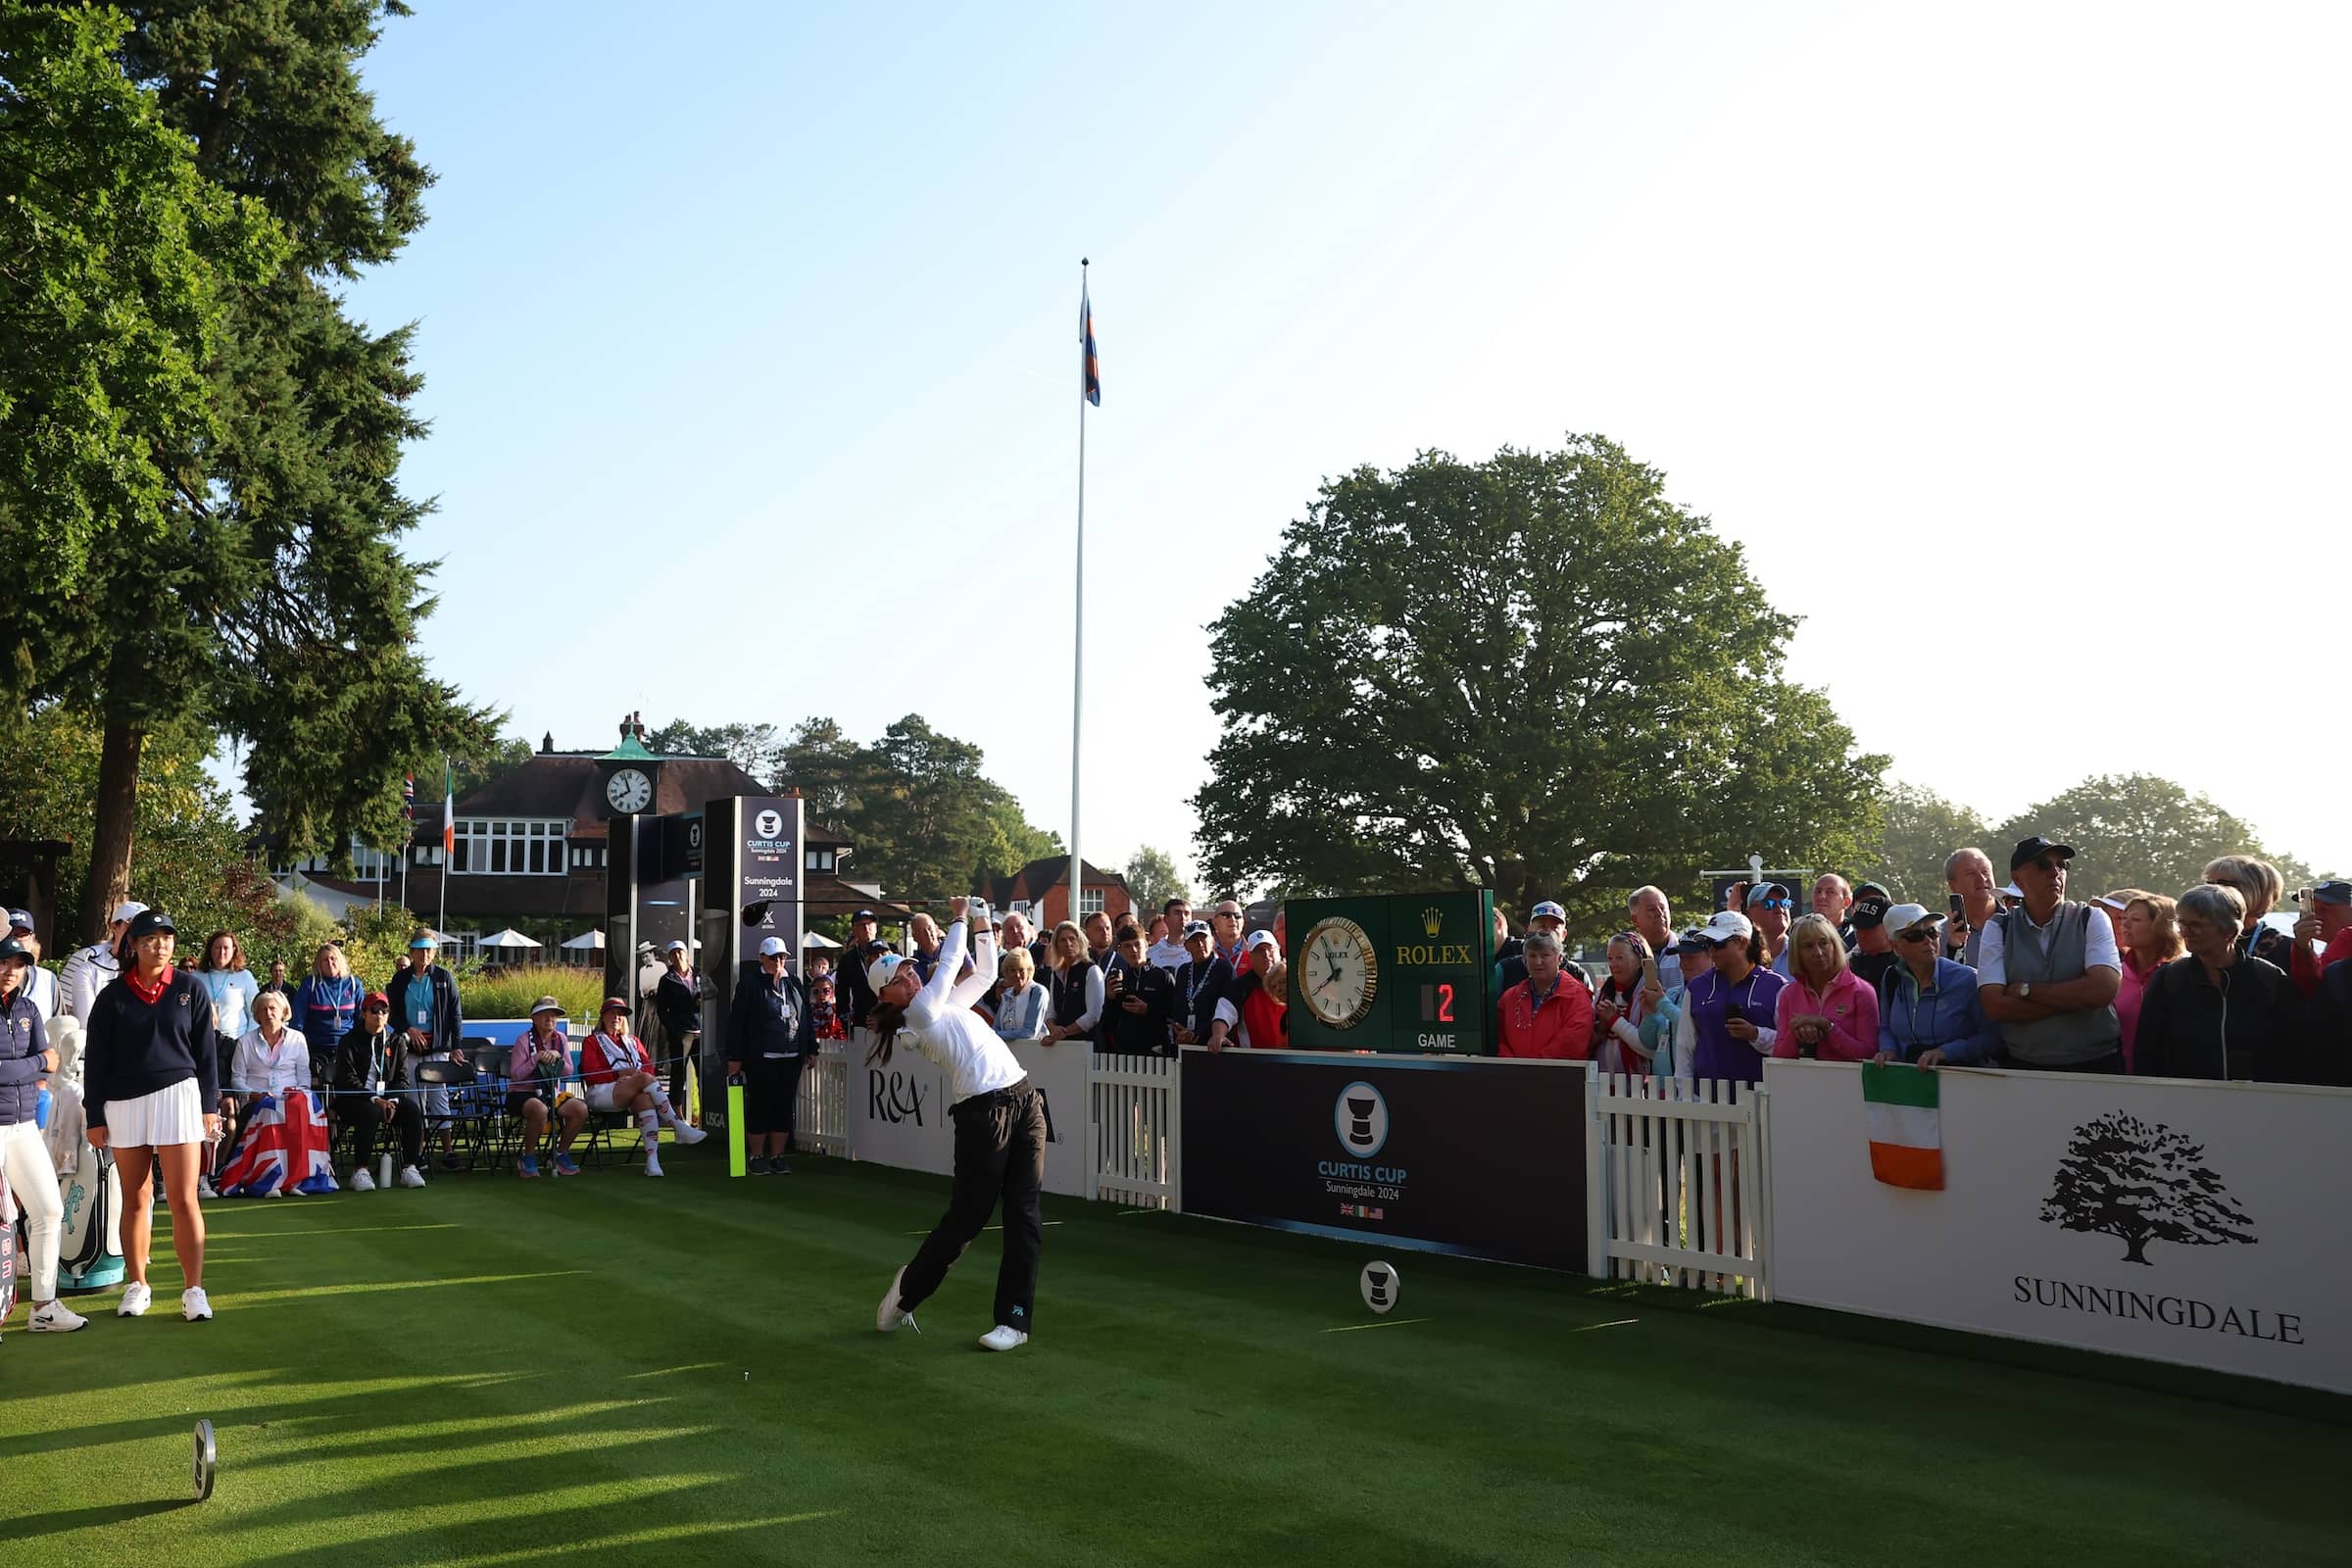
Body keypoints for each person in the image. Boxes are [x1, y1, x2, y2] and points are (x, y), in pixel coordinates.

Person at [867, 899, 1045, 1350]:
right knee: (967, 1220)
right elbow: (948, 965)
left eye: (909, 969)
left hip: (1024, 1100)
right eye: (897, 979)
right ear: (886, 997)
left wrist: (983, 919)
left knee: (1024, 1216)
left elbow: (984, 973)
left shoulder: (941, 1004)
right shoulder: (918, 1016)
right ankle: (907, 1292)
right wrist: (961, 915)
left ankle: (1014, 1321)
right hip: (982, 1115)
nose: (909, 976)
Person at [80, 908, 219, 1321]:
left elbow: (206, 1055)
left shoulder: (191, 989)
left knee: (183, 1198)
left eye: (167, 938)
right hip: (123, 1102)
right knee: (136, 1198)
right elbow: (96, 1062)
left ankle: (194, 1290)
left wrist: (209, 1107)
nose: (161, 946)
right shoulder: (112, 996)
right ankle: (137, 1284)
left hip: (179, 1095)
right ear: (133, 946)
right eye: (150, 939)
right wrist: (94, 1116)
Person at [1977, 836, 2124, 1073]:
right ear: (2018, 879)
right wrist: (2079, 1000)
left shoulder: (2092, 918)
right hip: (2025, 1068)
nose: (2055, 872)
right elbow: (1994, 1006)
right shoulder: (1999, 927)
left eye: (2062, 865)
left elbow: (2103, 990)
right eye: (2043, 864)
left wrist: (2027, 991)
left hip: (2097, 1065)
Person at [0, 937, 85, 1333]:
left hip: (22, 1127)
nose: (10, 970)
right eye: (4, 962)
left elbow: (50, 1069)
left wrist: (27, 1066)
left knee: (49, 1211)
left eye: (18, 963)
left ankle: (44, 1307)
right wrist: (32, 1064)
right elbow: (37, 1062)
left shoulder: (29, 1008)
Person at [2132, 883, 2301, 1082]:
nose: (2186, 932)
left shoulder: (2268, 978)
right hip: (2185, 1100)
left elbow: (2293, 1050)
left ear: (2229, 930)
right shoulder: (2169, 978)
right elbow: (2148, 1051)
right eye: (2182, 923)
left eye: (2196, 925)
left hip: (2257, 1102)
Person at [216, 989, 334, 1199]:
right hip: (257, 1100)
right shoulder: (245, 1042)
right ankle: (269, 1178)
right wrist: (253, 1095)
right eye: (263, 1009)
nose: (269, 1013)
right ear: (257, 1015)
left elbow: (304, 1076)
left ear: (283, 1012)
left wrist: (298, 1093)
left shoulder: (297, 1039)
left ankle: (301, 1179)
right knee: (269, 1111)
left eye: (273, 1008)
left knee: (302, 1109)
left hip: (291, 1097)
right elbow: (237, 1080)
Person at [1871, 905, 2001, 1067]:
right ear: (1896, 946)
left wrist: (1946, 1052)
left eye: (1932, 932)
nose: (1928, 940)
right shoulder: (1891, 977)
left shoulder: (1967, 979)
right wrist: (1888, 1049)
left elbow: (1992, 1038)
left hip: (1962, 1081)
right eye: (1915, 935)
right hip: (1908, 1083)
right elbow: (1886, 1028)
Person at [726, 938, 813, 1175]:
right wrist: (735, 1056)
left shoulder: (794, 982)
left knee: (783, 1107)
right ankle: (756, 1156)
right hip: (761, 1057)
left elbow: (805, 1015)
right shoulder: (750, 984)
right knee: (760, 1107)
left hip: (791, 1056)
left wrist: (811, 1047)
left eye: (782, 957)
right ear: (762, 958)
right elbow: (738, 1023)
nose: (779, 961)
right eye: (774, 957)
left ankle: (777, 1156)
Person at [1673, 910, 1785, 1086]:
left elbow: (1788, 1046)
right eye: (1708, 944)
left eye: (1718, 944)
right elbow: (1685, 1046)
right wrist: (1685, 1096)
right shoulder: (1697, 987)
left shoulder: (1776, 986)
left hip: (1761, 1101)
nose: (1711, 951)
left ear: (1742, 943)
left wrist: (1756, 1034)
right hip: (1705, 1099)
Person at [385, 931, 466, 1170]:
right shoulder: (400, 979)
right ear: (411, 951)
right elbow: (394, 1014)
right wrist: (409, 1029)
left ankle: (448, 1152)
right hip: (409, 1048)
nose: (425, 954)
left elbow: (455, 1014)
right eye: (420, 949)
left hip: (437, 1046)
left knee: (439, 1098)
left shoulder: (443, 977)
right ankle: (417, 1153)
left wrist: (456, 1047)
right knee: (414, 1101)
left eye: (430, 949)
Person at [332, 994, 426, 1189]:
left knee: (412, 1110)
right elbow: (347, 1080)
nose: (379, 1015)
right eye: (374, 1011)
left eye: (384, 1011)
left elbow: (402, 1079)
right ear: (363, 1014)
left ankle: (409, 1167)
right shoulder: (349, 1041)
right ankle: (361, 1170)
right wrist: (375, 1099)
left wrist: (393, 1101)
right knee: (371, 1111)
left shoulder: (396, 1041)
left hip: (388, 1099)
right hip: (354, 1099)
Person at [1772, 913, 1879, 1062]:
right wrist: (1796, 1033)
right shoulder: (1788, 994)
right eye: (1808, 946)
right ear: (1797, 953)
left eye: (1823, 943)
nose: (1818, 952)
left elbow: (1868, 1053)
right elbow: (1779, 1055)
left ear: (1834, 946)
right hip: (1802, 1082)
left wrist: (1828, 1027)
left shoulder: (1862, 991)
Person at [507, 998, 586, 1179]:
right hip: (522, 1093)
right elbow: (516, 1075)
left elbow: (567, 1073)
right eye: (544, 1015)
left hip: (552, 1092)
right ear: (534, 1018)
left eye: (553, 1015)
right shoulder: (523, 1040)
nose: (550, 1019)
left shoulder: (561, 1039)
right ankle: (527, 1157)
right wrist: (536, 1059)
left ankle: (560, 1154)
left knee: (580, 1109)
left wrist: (557, 1057)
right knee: (539, 1109)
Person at [1497, 930, 1595, 1059]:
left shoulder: (1577, 997)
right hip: (1513, 1075)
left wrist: (1535, 1068)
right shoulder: (1509, 998)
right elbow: (1499, 1038)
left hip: (1560, 1076)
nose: (1538, 961)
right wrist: (1514, 1067)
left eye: (1545, 955)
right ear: (1524, 960)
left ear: (1559, 958)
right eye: (1532, 956)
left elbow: (1573, 1044)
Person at [2112, 891, 2180, 1070]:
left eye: (2135, 919)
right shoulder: (2114, 973)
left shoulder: (2179, 976)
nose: (2124, 924)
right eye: (2124, 917)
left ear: (2160, 926)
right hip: (2118, 1077)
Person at [2201, 856, 2296, 974]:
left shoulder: (2285, 947)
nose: (2210, 890)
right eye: (2208, 884)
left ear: (2254, 890)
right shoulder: (2199, 936)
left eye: (2223, 884)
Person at [1639, 930, 1710, 1078]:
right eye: (1682, 957)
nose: (1685, 963)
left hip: (1695, 1087)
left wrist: (1661, 1002)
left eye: (1691, 957)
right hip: (1662, 1088)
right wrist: (1649, 1015)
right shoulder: (1673, 994)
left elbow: (1694, 1026)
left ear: (1712, 956)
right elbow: (1648, 1042)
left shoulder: (1714, 994)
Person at [62, 899, 145, 1023]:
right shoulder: (85, 958)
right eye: (131, 925)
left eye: (145, 927)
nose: (138, 932)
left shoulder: (150, 966)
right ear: (114, 927)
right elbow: (64, 1007)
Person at [291, 943, 363, 1087]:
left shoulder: (353, 984)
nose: (330, 963)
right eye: (325, 960)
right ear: (319, 963)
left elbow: (361, 1018)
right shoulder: (310, 984)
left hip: (346, 1048)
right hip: (316, 1048)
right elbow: (298, 1020)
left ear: (340, 960)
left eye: (333, 958)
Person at [1097, 921, 1174, 1054]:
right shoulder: (1118, 980)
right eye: (1127, 946)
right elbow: (1107, 1023)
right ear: (1120, 950)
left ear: (1146, 945)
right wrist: (1109, 998)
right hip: (1125, 1054)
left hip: (1157, 1051)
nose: (1133, 950)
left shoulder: (1163, 976)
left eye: (1137, 944)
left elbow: (1174, 1014)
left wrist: (1148, 1010)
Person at [1207, 930, 1288, 1051]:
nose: (1266, 954)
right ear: (1250, 957)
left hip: (1294, 1058)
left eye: (1270, 949)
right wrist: (1218, 1035)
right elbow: (1223, 1013)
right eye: (1259, 950)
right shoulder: (1240, 987)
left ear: (1279, 950)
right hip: (1254, 1061)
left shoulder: (1295, 980)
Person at [1590, 932, 1655, 1074]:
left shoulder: (1650, 994)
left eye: (1620, 958)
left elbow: (1650, 1049)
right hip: (1601, 1082)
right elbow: (1585, 1043)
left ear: (1639, 960)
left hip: (1638, 1086)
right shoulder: (1603, 993)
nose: (1613, 964)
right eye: (1610, 958)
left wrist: (1614, 1020)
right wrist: (1601, 1028)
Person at [654, 940, 702, 1113]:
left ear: (687, 954)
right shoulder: (666, 980)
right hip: (681, 1035)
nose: (677, 956)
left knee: (703, 1075)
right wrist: (674, 1030)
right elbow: (662, 1010)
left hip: (701, 1032)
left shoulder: (700, 975)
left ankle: (703, 1114)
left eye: (680, 952)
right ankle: (678, 1116)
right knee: (678, 1075)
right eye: (673, 954)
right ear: (670, 958)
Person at [1167, 920, 1230, 1050]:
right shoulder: (1183, 971)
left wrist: (1198, 1035)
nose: (1200, 944)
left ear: (1212, 940)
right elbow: (1177, 1007)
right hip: (1185, 1043)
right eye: (1194, 940)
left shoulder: (1224, 968)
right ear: (1186, 946)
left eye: (1204, 938)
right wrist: (1180, 1032)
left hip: (1214, 1045)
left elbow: (1226, 1008)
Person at [1041, 921, 1104, 1046]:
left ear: (1080, 942)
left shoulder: (1091, 970)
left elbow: (1093, 1015)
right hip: (1062, 1045)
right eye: (1063, 940)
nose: (1068, 944)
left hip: (1088, 1044)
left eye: (1072, 939)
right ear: (1056, 945)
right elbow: (1051, 1011)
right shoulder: (1056, 973)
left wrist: (1063, 1032)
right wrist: (1053, 1028)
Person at [2286, 879, 2352, 998]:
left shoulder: (2348, 940)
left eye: (2325, 909)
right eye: (2312, 909)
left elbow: (2317, 989)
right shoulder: (2334, 945)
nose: (2316, 916)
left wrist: (2303, 949)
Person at [1943, 848, 2001, 968]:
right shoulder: (1939, 936)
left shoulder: (2016, 924)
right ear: (1953, 885)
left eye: (1985, 871)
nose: (1982, 879)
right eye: (1971, 873)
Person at [7, 909, 60, 1020]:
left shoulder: (48, 980)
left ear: (32, 939)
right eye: (9, 934)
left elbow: (60, 1027)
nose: (15, 940)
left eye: (22, 935)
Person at [989, 948, 1052, 1041]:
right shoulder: (1007, 994)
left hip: (1035, 1051)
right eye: (1013, 970)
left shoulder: (1038, 992)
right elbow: (996, 1027)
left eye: (1021, 970)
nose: (1017, 975)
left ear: (1029, 970)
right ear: (1007, 972)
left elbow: (1029, 1032)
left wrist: (996, 1036)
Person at [1627, 887, 1682, 991]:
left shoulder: (1688, 953)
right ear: (1635, 920)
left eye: (1663, 908)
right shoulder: (1627, 956)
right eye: (1652, 909)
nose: (1660, 914)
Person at [1844, 890, 1899, 991]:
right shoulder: (1847, 966)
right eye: (1857, 926)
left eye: (1867, 927)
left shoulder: (1906, 967)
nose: (1860, 933)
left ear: (1888, 927)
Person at [839, 909, 883, 1027]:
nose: (867, 928)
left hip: (888, 1019)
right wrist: (845, 1023)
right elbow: (842, 994)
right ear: (854, 930)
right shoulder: (848, 959)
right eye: (862, 925)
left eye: (870, 924)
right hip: (861, 1020)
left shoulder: (890, 951)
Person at [1146, 899, 1192, 971]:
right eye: (1177, 913)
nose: (1183, 917)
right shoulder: (1150, 954)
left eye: (1186, 914)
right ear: (1166, 919)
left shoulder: (1197, 952)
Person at [808, 976, 850, 1041]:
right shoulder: (809, 1011)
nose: (821, 994)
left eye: (826, 991)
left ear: (832, 992)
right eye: (816, 991)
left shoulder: (837, 1010)